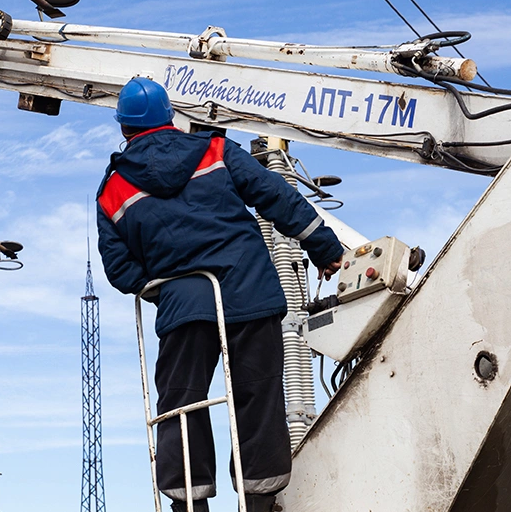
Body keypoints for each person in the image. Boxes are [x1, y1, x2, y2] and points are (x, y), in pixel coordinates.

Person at [96, 77, 344, 512]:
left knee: (181, 407)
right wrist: (323, 247)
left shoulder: (112, 190)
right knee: (259, 399)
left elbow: (120, 270)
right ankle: (260, 504)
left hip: (184, 312)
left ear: (124, 128)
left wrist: (170, 290)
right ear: (170, 117)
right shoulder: (216, 151)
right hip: (251, 293)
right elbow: (276, 197)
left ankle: (188, 506)